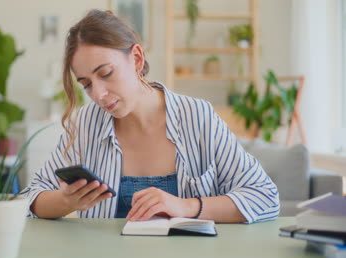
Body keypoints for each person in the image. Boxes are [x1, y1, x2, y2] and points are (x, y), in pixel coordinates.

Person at [22, 9, 280, 223]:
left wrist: (187, 207)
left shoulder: (197, 116)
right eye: (86, 84)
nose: (98, 94)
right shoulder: (87, 124)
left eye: (106, 73)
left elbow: (264, 198)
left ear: (136, 58)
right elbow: (30, 199)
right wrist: (65, 201)